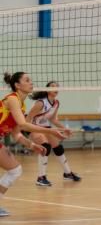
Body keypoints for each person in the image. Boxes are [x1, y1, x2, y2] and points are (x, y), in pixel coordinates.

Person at [0, 72, 67, 217]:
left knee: (15, 170)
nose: (31, 83)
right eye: (27, 80)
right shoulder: (12, 99)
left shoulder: (21, 106)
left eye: (31, 80)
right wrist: (52, 131)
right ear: (17, 85)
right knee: (14, 170)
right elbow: (24, 125)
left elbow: (16, 133)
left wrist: (32, 145)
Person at [26, 81, 81, 186]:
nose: (55, 88)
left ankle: (67, 173)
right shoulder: (40, 103)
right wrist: (33, 132)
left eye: (57, 87)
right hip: (34, 127)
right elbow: (27, 119)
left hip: (46, 128)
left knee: (58, 148)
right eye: (52, 86)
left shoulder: (56, 103)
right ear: (47, 90)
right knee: (45, 147)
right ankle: (41, 177)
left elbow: (53, 119)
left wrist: (64, 129)